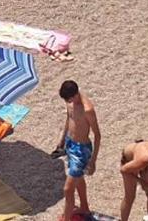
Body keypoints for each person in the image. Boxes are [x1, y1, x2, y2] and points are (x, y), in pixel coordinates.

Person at [57, 80, 101, 221]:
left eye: (69, 99)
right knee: (79, 179)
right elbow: (69, 118)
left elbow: (97, 136)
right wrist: (62, 139)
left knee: (68, 189)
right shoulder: (70, 102)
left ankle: (67, 219)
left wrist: (93, 161)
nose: (68, 102)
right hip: (70, 144)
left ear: (75, 95)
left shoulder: (87, 110)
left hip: (81, 151)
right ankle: (84, 207)